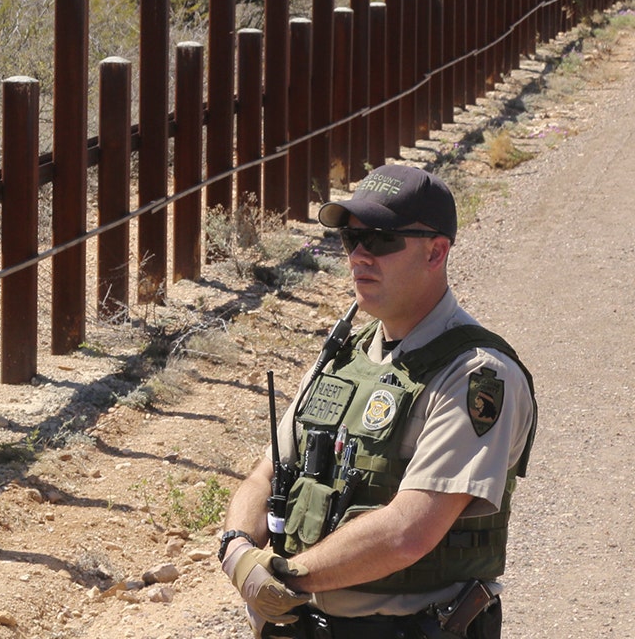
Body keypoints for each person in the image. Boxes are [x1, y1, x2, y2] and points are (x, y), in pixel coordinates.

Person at [218, 164, 536, 638]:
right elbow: (266, 473)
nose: (359, 256)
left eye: (382, 239)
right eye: (351, 238)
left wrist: (285, 579)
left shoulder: (476, 375)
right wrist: (238, 548)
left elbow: (408, 532)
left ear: (436, 252)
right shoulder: (343, 356)